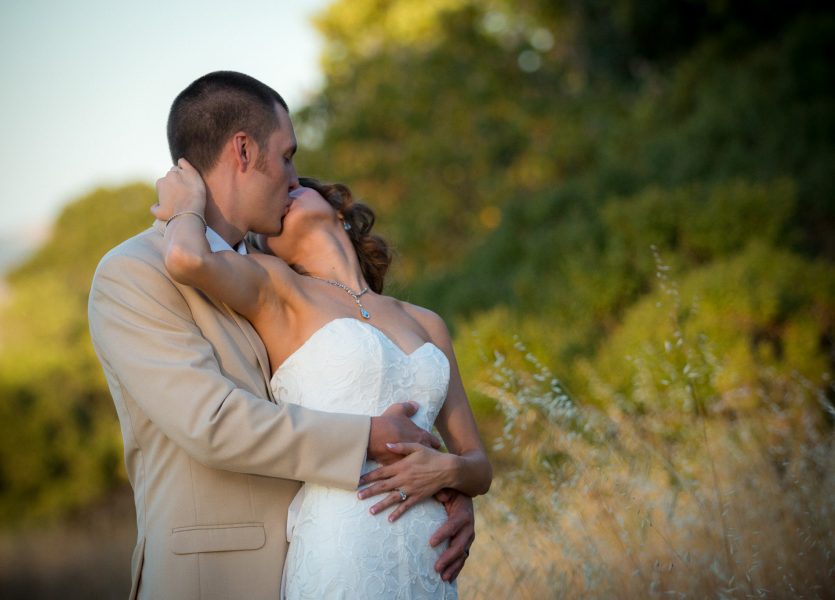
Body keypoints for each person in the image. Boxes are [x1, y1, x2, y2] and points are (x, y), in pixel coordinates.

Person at [87, 71, 476, 600]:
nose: (296, 176)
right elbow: (213, 423)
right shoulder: (133, 273)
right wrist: (369, 436)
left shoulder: (281, 274)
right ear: (243, 151)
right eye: (287, 154)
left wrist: (447, 484)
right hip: (219, 578)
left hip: (349, 551)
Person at [153, 161, 492, 597]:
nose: (288, 187)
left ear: (339, 212)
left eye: (300, 185)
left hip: (430, 559)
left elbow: (478, 466)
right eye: (283, 191)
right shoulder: (279, 289)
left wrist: (447, 472)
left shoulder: (427, 322)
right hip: (342, 544)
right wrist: (186, 205)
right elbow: (185, 258)